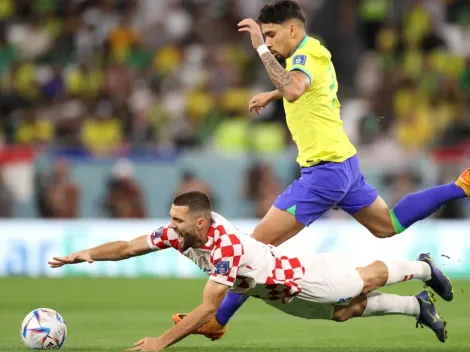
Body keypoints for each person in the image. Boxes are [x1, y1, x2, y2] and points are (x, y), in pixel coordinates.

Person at [174, 0, 469, 339]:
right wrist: (273, 94)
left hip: (324, 172)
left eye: (272, 35)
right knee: (389, 226)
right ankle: (460, 187)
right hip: (343, 163)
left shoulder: (304, 55)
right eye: (265, 37)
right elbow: (305, 86)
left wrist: (259, 50)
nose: (269, 42)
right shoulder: (313, 53)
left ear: (293, 30)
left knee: (250, 249)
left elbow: (296, 88)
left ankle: (219, 320)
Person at [48, 192, 451, 351]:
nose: (170, 227)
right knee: (346, 312)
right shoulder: (181, 234)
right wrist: (85, 254)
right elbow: (128, 246)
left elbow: (209, 310)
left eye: (177, 221)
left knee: (363, 280)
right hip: (279, 297)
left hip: (300, 276)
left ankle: (421, 266)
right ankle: (417, 307)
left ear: (202, 224)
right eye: (170, 220)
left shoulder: (225, 245)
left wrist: (161, 342)